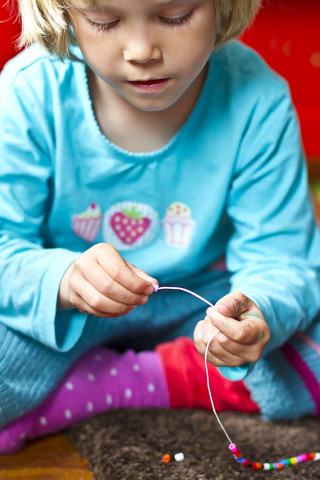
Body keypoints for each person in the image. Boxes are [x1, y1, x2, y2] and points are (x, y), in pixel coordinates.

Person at [0, 0, 319, 454]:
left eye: (175, 16)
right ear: (63, 12)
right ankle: (167, 373)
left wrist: (257, 312)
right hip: (65, 312)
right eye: (104, 21)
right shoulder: (29, 92)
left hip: (200, 305)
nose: (142, 50)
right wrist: (64, 279)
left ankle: (121, 382)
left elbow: (283, 258)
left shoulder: (257, 98)